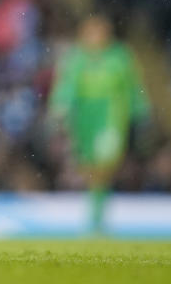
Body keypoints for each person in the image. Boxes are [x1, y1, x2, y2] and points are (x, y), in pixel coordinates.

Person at [49, 14, 151, 234]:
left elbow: (133, 87)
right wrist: (60, 105)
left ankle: (96, 218)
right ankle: (97, 216)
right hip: (85, 119)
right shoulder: (76, 58)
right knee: (89, 169)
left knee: (104, 165)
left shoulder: (120, 57)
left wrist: (141, 111)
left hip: (111, 117)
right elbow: (66, 86)